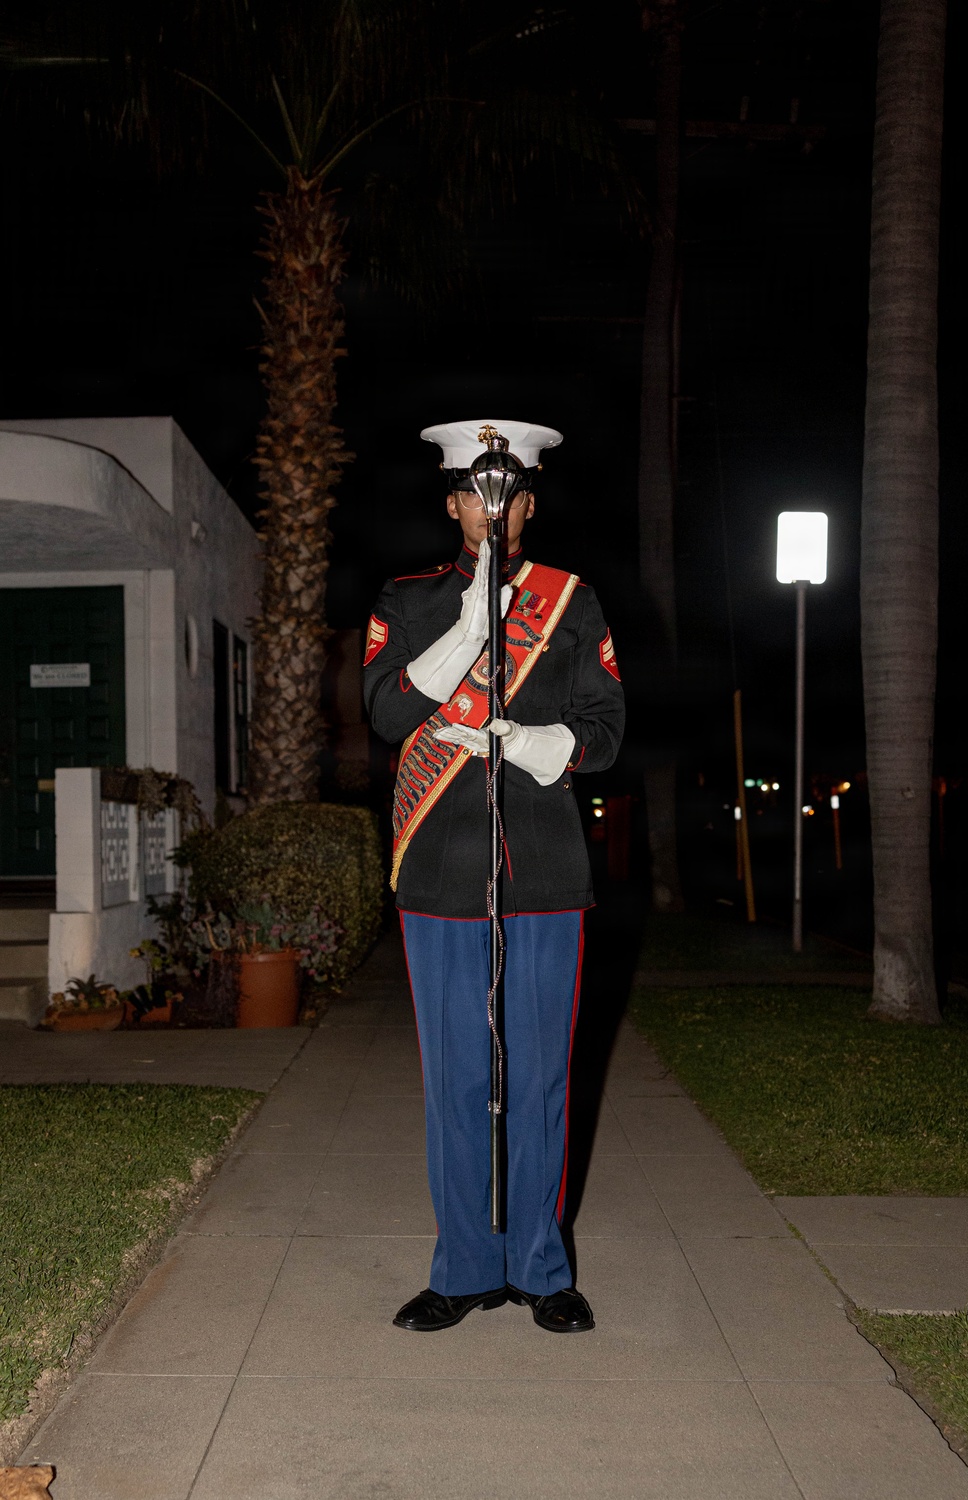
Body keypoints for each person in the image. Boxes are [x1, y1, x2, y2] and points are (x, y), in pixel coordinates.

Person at [363, 419, 625, 1334]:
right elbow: (389, 711)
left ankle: (541, 1270)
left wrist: (544, 743)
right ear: (453, 503)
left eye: (507, 492)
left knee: (544, 1077)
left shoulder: (570, 600)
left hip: (546, 873)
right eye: (477, 491)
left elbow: (606, 726)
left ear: (529, 507)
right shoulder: (404, 599)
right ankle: (465, 1267)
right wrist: (471, 624)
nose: (492, 507)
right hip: (439, 872)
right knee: (457, 1082)